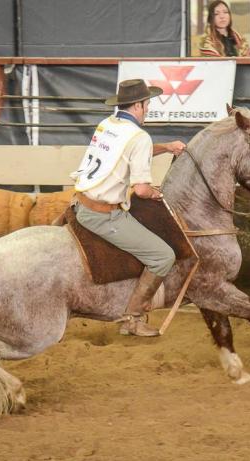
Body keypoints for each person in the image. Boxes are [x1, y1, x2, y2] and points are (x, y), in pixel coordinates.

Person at [70, 78, 186, 337]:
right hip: (103, 216)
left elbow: (130, 153)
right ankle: (132, 319)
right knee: (163, 256)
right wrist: (155, 193)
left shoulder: (108, 125)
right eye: (148, 104)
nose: (149, 109)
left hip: (81, 202)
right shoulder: (139, 136)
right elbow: (142, 190)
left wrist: (166, 147)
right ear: (138, 105)